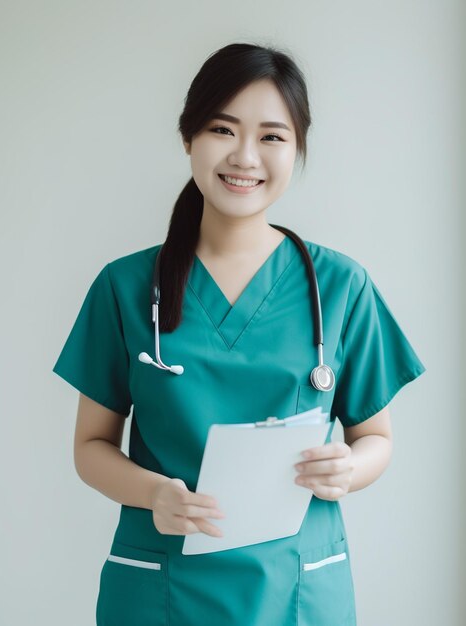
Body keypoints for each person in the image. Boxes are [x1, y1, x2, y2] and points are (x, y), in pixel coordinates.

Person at [52, 42, 426, 626]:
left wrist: (348, 470)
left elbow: (375, 437)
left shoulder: (341, 286)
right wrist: (154, 494)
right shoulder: (124, 287)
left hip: (298, 591)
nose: (245, 156)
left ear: (298, 149)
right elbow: (90, 448)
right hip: (163, 592)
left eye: (272, 136)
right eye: (223, 129)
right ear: (188, 138)